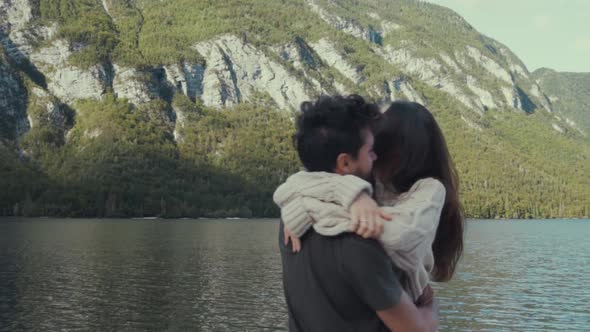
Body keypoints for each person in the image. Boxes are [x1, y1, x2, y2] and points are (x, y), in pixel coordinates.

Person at [275, 100, 464, 307]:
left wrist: (311, 207)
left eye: (375, 140)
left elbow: (399, 236)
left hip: (402, 309)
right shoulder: (366, 181)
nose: (371, 149)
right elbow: (296, 183)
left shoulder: (430, 189)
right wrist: (354, 197)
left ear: (390, 144)